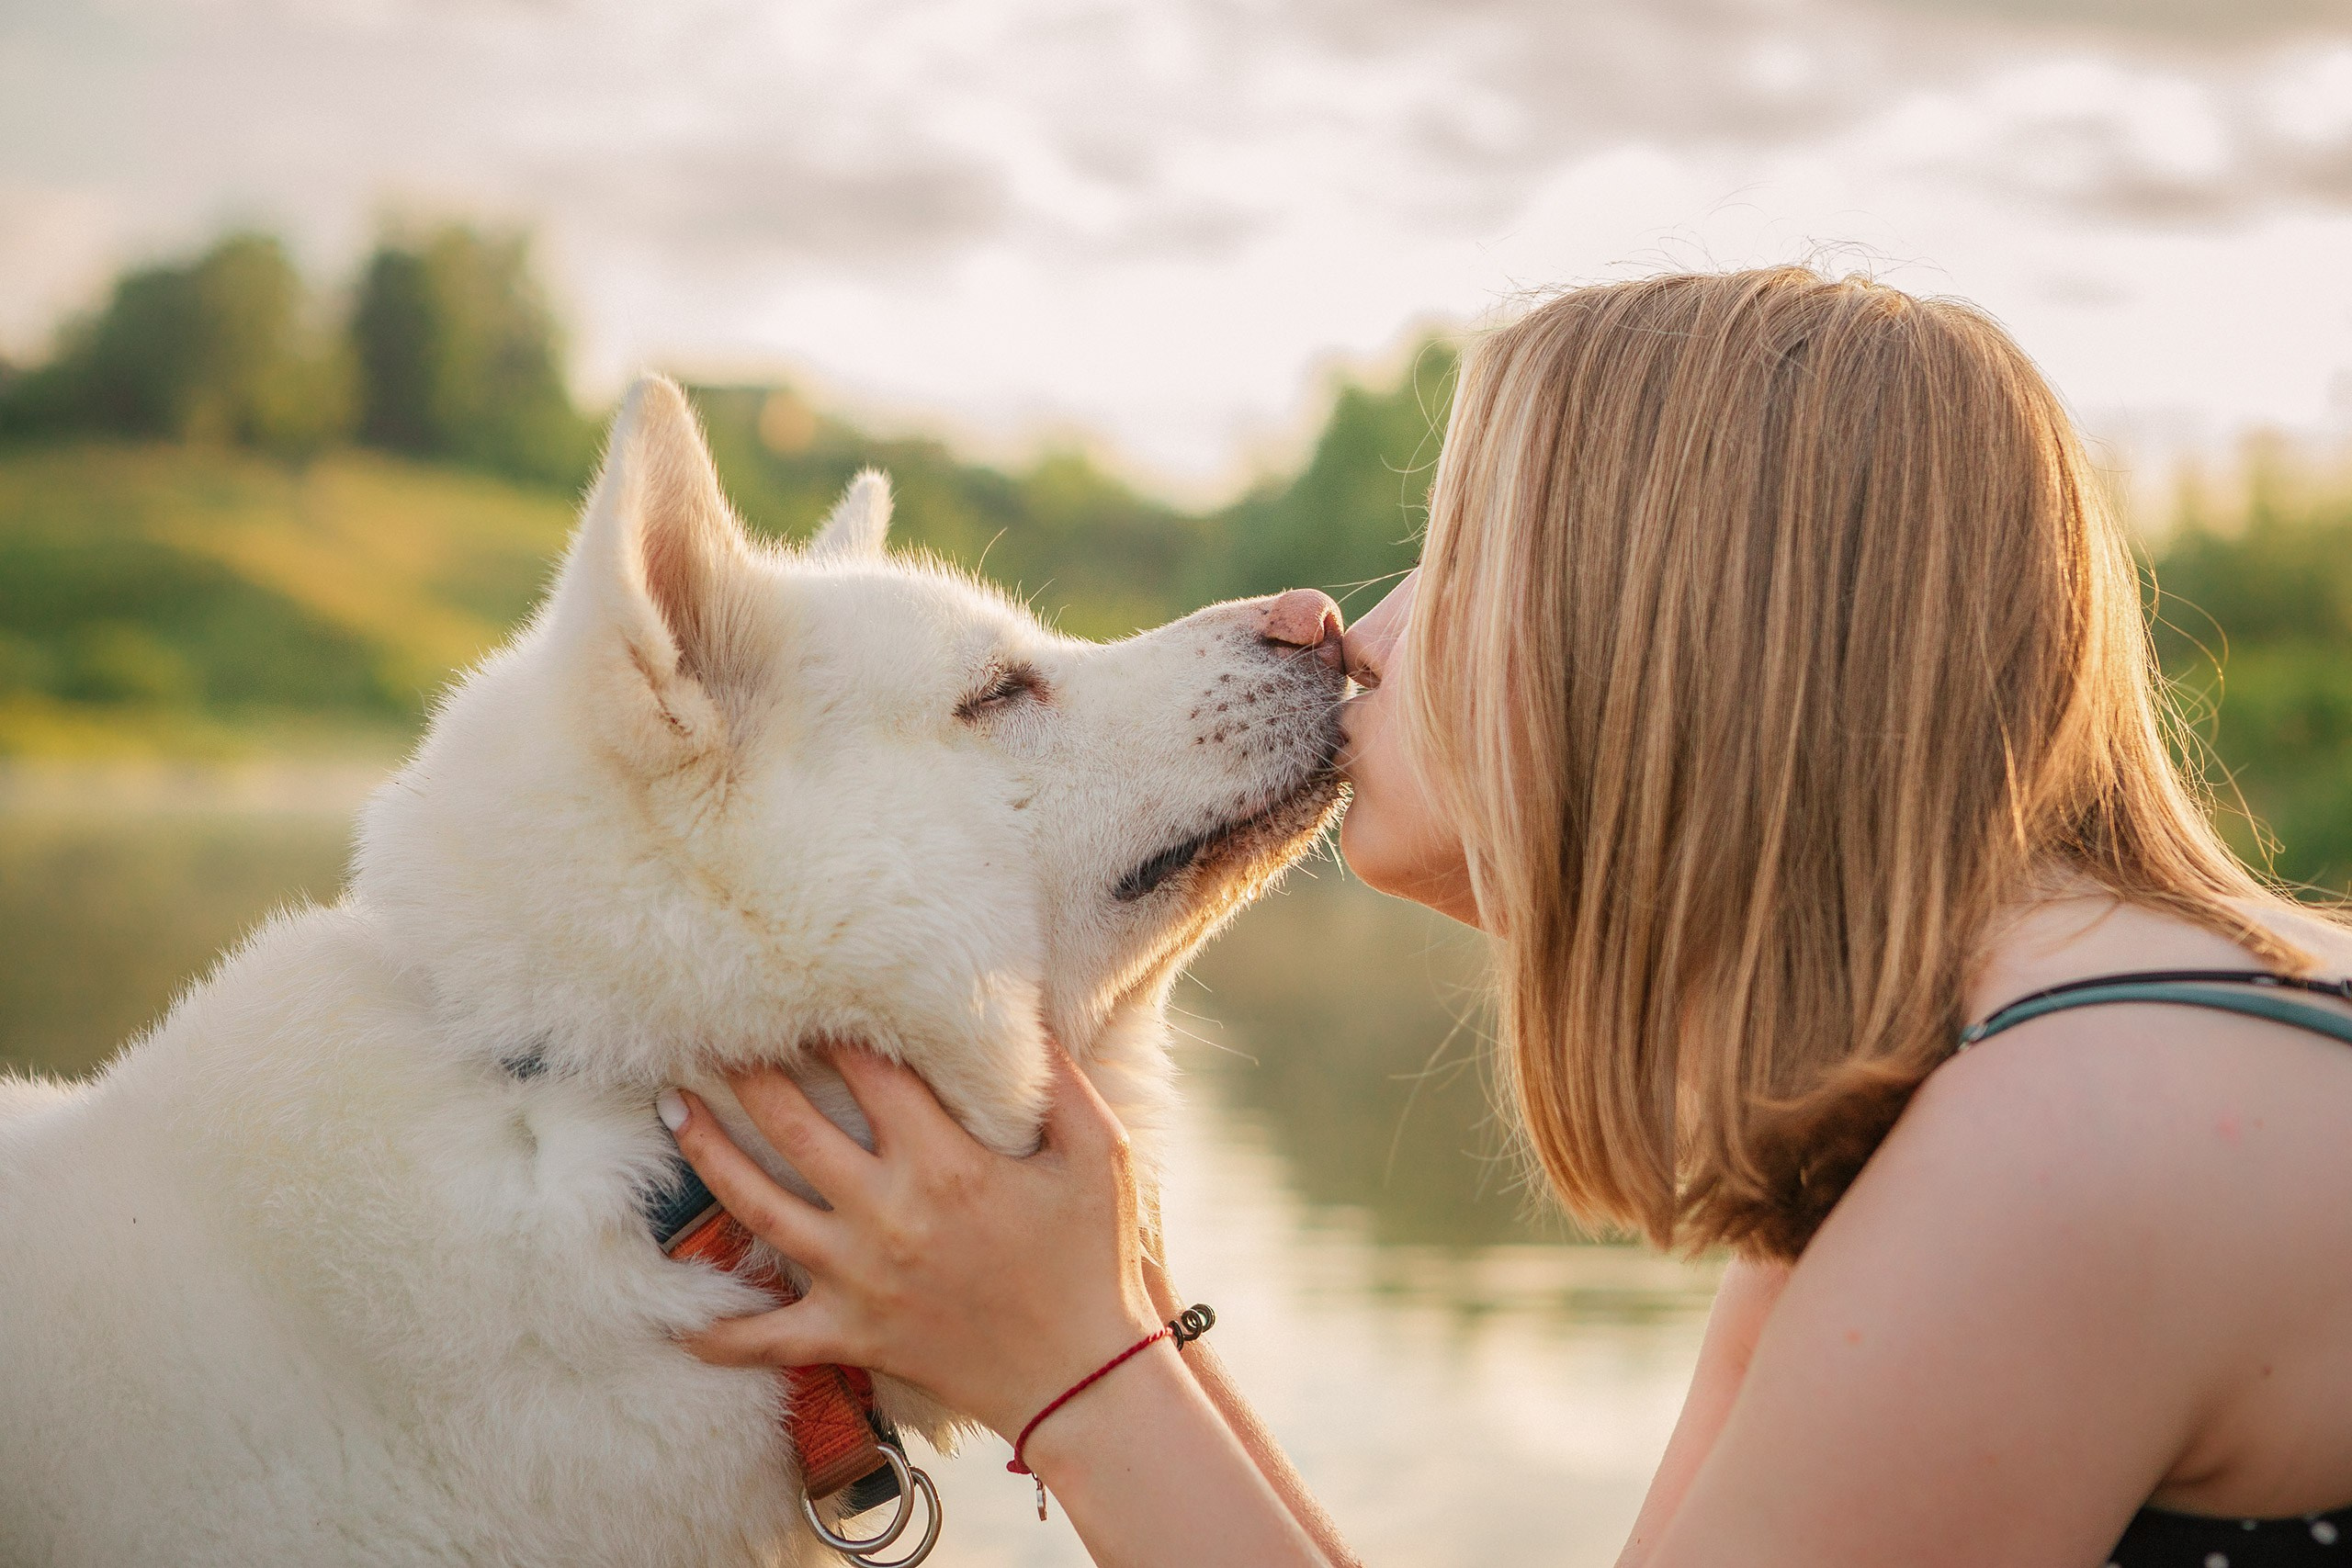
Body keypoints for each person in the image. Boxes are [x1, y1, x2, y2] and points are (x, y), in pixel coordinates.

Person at [657, 267, 2352, 1566]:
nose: (1358, 630)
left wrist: (1069, 1368)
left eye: (1456, 556)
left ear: (1671, 636)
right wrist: (1108, 1309)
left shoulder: (2056, 1154)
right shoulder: (1971, 1104)